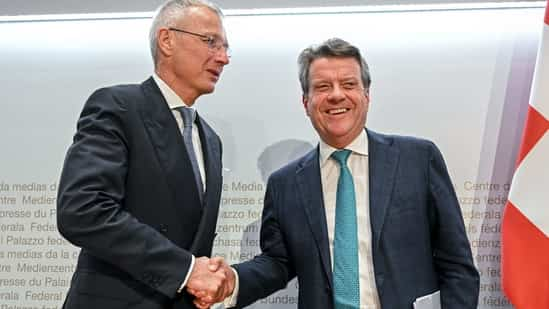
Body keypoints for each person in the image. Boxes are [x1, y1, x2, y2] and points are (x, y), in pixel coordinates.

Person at [195, 38, 480, 309]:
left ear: (366, 95)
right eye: (322, 86)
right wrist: (231, 281)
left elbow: (457, 265)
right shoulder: (285, 184)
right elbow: (277, 262)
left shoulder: (417, 159)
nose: (336, 95)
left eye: (348, 84)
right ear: (306, 102)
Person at [56, 0, 234, 308]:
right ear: (167, 40)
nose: (223, 58)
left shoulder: (210, 141)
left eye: (226, 48)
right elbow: (82, 210)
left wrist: (209, 276)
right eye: (210, 42)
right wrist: (186, 270)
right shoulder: (117, 107)